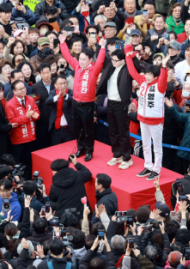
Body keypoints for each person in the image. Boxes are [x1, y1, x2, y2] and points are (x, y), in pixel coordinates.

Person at [59, 32, 106, 162]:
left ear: (90, 60)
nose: (81, 61)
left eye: (84, 59)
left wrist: (102, 47)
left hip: (87, 104)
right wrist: (63, 43)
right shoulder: (77, 66)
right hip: (75, 102)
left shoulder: (94, 69)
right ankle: (81, 148)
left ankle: (89, 150)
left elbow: (101, 60)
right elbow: (68, 56)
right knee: (77, 128)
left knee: (88, 129)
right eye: (80, 58)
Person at [124, 43, 168, 180]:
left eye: (150, 75)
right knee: (146, 145)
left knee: (157, 147)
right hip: (142, 119)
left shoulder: (160, 86)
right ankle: (148, 166)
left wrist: (164, 67)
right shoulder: (143, 81)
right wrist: (128, 52)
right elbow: (132, 72)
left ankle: (157, 169)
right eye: (147, 74)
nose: (147, 76)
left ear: (156, 76)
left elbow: (164, 77)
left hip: (155, 121)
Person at [96, 48, 140, 169]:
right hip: (110, 102)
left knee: (123, 131)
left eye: (116, 60)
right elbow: (102, 60)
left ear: (123, 60)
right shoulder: (111, 67)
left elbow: (137, 67)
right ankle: (117, 155)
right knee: (113, 131)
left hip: (122, 103)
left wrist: (132, 55)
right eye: (112, 59)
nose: (113, 62)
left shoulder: (127, 69)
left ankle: (127, 157)